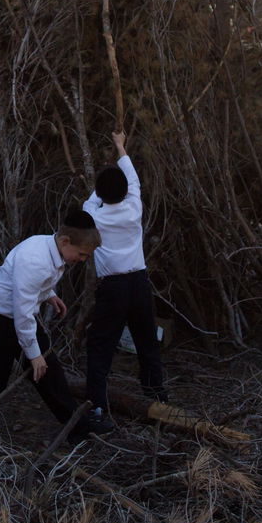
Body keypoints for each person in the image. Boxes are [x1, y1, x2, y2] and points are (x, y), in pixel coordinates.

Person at [0, 209, 101, 436]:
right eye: (82, 254)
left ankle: (78, 429)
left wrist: (49, 294)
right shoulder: (35, 259)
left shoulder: (51, 249)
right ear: (65, 241)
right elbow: (22, 311)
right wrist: (33, 354)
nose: (82, 260)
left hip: (22, 319)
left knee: (51, 373)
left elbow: (33, 288)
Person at [82, 131, 167, 433]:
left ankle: (97, 408)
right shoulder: (135, 206)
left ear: (101, 194)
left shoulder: (93, 215)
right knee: (147, 343)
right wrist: (120, 145)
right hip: (139, 284)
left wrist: (103, 179)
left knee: (101, 346)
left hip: (113, 288)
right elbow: (131, 178)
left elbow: (93, 197)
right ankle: (158, 398)